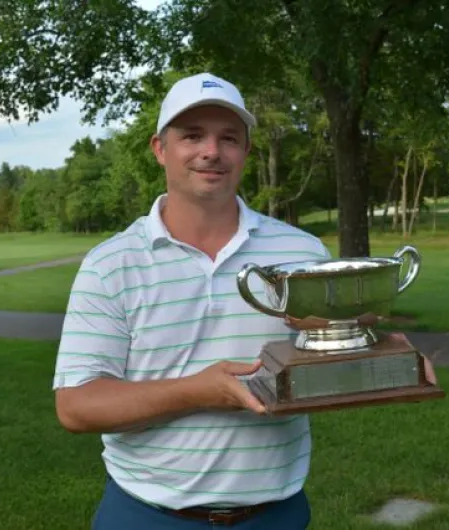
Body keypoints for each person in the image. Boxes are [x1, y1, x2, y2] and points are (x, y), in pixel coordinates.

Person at [52, 72, 331, 529]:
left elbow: (318, 368)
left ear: (246, 152)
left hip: (275, 514)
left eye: (229, 138)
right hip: (147, 515)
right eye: (192, 135)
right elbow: (77, 406)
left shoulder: (301, 253)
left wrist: (363, 347)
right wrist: (197, 391)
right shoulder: (111, 265)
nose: (211, 152)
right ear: (160, 149)